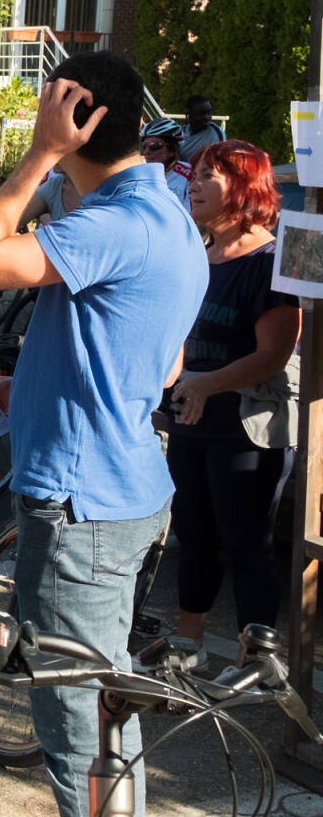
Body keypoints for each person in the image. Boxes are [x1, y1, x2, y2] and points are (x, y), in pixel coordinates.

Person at [0, 53, 206, 817]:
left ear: (76, 121)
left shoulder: (112, 223)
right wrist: (36, 380)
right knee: (100, 702)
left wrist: (38, 156)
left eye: (49, 110)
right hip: (122, 492)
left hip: (81, 505)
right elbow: (159, 364)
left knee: (74, 721)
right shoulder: (166, 214)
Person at [167, 141, 300, 645]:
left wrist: (207, 383)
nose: (194, 184)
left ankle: (255, 663)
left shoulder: (269, 261)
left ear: (244, 188)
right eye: (196, 173)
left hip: (247, 428)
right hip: (190, 419)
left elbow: (273, 354)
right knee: (193, 536)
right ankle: (188, 649)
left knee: (246, 544)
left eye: (210, 175)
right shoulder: (197, 256)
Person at [140, 117, 194, 207]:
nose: (146, 152)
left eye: (154, 146)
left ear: (172, 150)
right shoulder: (139, 175)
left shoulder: (190, 174)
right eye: (144, 147)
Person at [179, 95, 219, 164]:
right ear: (188, 114)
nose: (207, 117)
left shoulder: (215, 133)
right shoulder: (179, 133)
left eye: (209, 113)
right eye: (201, 114)